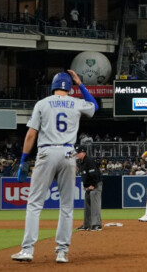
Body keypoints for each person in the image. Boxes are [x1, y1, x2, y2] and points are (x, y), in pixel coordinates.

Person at [11, 70, 98, 263]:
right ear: (69, 86)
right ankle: (62, 251)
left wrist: (24, 159)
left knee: (34, 204)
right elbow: (94, 106)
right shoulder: (76, 102)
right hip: (68, 153)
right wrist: (81, 84)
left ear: (53, 85)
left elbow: (31, 135)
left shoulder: (42, 103)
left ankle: (27, 250)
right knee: (66, 206)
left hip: (47, 152)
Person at [75, 145, 103, 231]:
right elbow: (85, 174)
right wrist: (85, 186)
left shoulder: (89, 161)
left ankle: (97, 224)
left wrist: (93, 185)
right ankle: (87, 224)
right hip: (89, 186)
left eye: (79, 153)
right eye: (77, 153)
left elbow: (94, 174)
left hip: (95, 185)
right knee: (87, 205)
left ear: (84, 152)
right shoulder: (81, 162)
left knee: (95, 204)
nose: (77, 154)